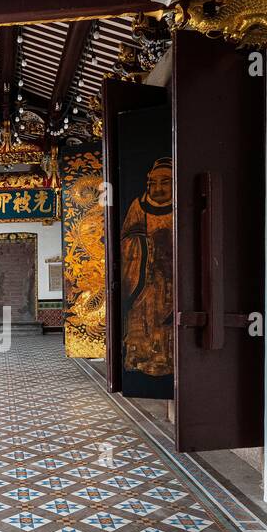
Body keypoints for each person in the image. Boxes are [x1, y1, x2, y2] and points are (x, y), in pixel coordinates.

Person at [119, 157, 175, 379]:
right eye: (154, 183)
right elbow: (126, 239)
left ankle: (167, 359)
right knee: (142, 320)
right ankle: (139, 357)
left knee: (166, 321)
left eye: (165, 182)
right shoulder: (139, 206)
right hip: (144, 277)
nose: (158, 188)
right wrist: (143, 244)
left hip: (171, 275)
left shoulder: (179, 206)